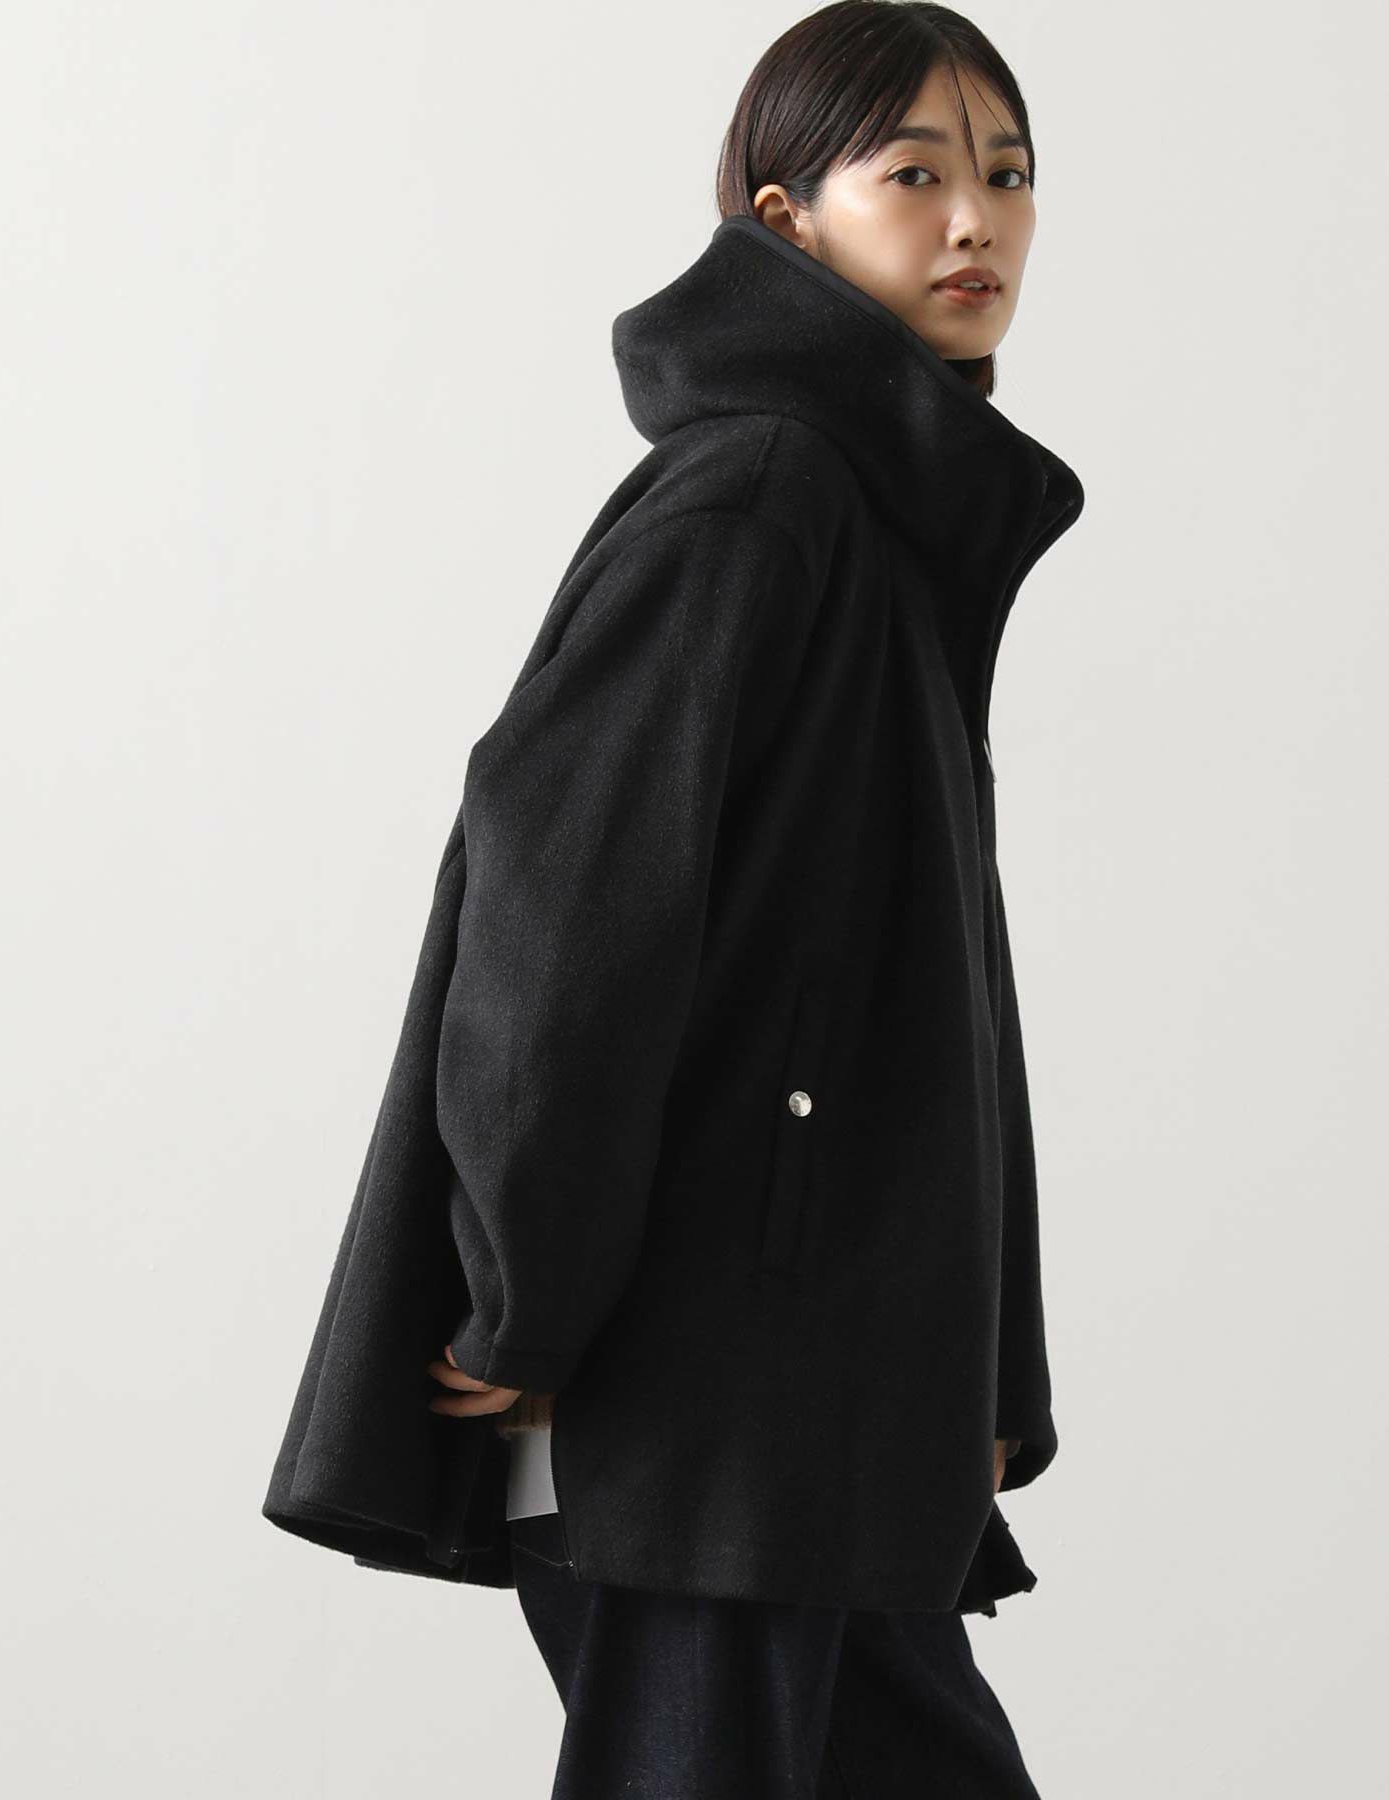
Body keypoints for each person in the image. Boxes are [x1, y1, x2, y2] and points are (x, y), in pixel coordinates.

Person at [263, 3, 1085, 1794]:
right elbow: (559, 910)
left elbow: (935, 1010)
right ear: (787, 223)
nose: (978, 221)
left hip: (822, 1402)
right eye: (915, 174)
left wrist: (985, 1379)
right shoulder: (757, 499)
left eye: (1010, 173)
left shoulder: (885, 530)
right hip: (698, 1400)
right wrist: (523, 1296)